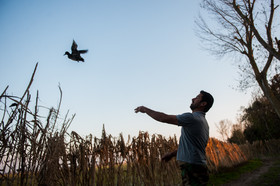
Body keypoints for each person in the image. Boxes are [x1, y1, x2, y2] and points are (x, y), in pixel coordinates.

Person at [134, 90, 214, 186]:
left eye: (197, 97)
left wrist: (145, 109)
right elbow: (192, 147)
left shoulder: (192, 118)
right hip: (196, 166)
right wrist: (172, 154)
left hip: (191, 167)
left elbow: (164, 118)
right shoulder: (203, 122)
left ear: (203, 103)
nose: (193, 98)